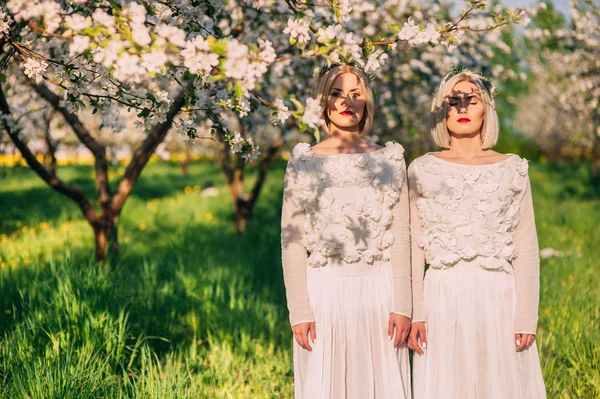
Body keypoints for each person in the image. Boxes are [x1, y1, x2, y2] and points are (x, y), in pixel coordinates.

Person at [407, 69, 546, 398]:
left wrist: (526, 315)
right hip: (441, 296)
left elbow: (526, 246)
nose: (463, 107)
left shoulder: (512, 168)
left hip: (498, 296)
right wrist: (417, 313)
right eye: (453, 101)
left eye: (472, 99)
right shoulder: (421, 169)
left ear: (487, 109)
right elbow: (413, 246)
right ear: (441, 110)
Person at [280, 63, 412, 398]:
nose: (346, 101)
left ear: (367, 101)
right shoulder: (303, 161)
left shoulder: (391, 160)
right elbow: (292, 242)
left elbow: (402, 237)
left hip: (380, 293)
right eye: (337, 93)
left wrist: (403, 305)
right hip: (323, 293)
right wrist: (299, 311)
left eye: (356, 94)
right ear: (322, 101)